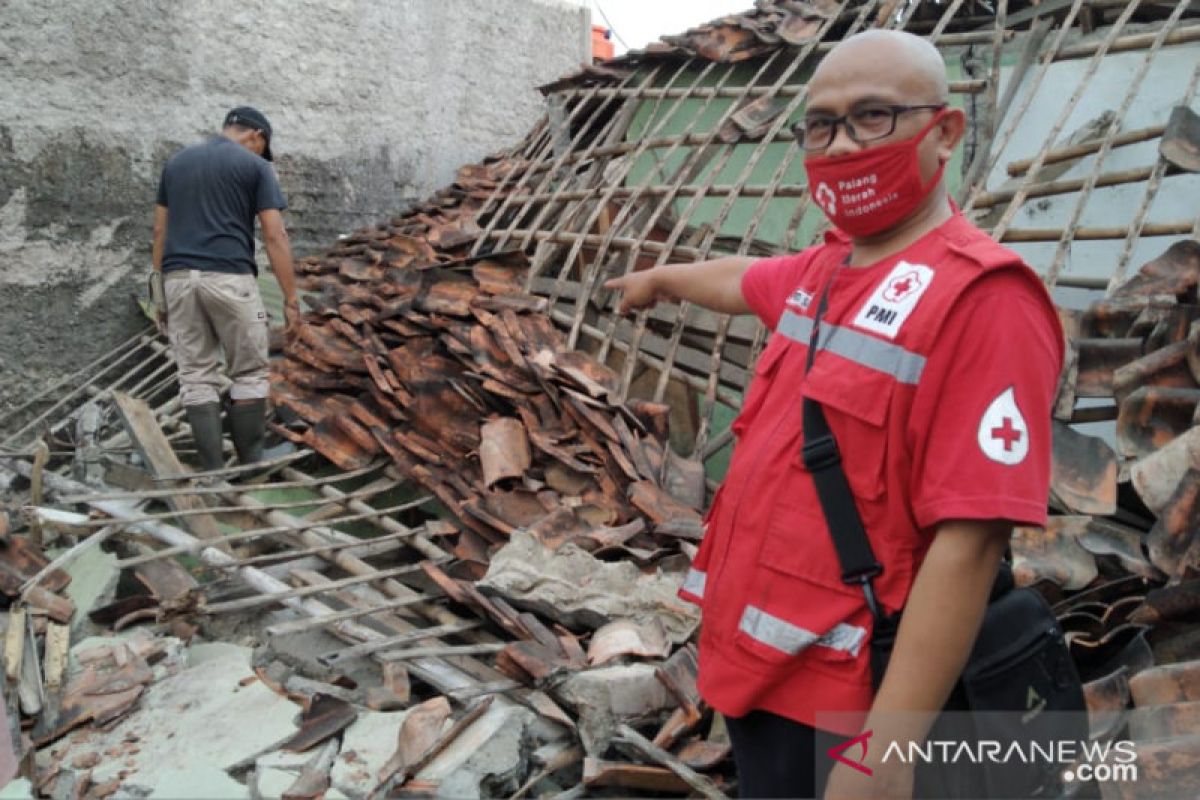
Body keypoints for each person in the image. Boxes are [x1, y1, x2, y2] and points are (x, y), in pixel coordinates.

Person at [605, 30, 1063, 800]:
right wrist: (657, 279)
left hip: (852, 700)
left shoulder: (984, 301)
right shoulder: (824, 272)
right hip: (761, 673)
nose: (843, 144)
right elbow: (741, 277)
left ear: (944, 132)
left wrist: (886, 756)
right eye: (821, 125)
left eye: (872, 117)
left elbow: (972, 540)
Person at [151, 106, 300, 472]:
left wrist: (159, 292)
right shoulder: (256, 167)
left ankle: (213, 473)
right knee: (248, 371)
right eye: (260, 148)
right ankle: (251, 465)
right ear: (256, 137)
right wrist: (291, 298)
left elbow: (159, 232)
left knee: (196, 374)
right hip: (230, 278)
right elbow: (274, 234)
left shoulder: (176, 164)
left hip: (179, 279)